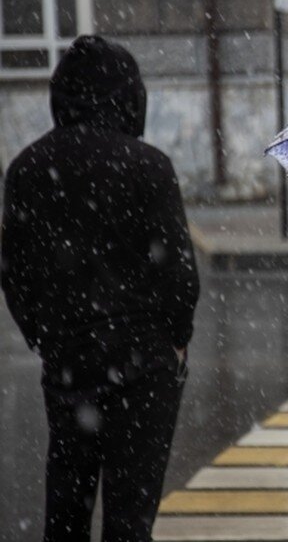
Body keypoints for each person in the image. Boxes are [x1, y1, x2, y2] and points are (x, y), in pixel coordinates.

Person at [1, 35, 199, 542]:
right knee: (130, 519)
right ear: (130, 98)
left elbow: (14, 273)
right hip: (143, 368)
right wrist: (175, 340)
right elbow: (178, 273)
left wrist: (46, 337)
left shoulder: (27, 168)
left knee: (66, 511)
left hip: (68, 364)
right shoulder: (147, 166)